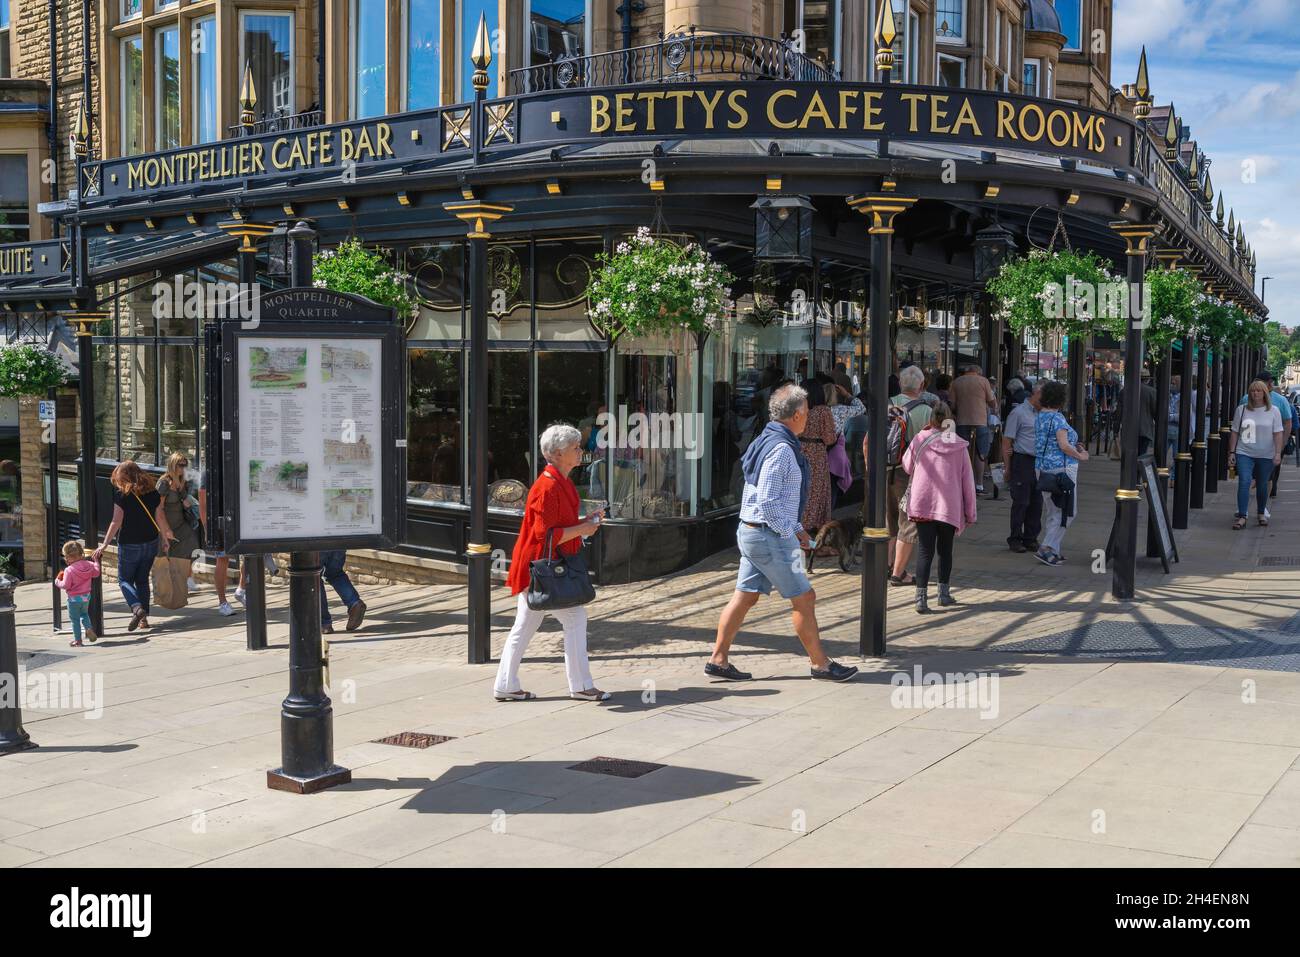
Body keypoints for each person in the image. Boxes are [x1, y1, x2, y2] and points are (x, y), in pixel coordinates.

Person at [706, 383, 858, 683]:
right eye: (807, 411)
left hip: (752, 532)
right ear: (799, 414)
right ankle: (821, 665)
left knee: (745, 596)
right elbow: (768, 500)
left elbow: (761, 496)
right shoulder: (782, 450)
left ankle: (718, 659)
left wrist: (797, 529)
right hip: (768, 536)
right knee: (805, 597)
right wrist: (792, 531)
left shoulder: (766, 438)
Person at [494, 424, 609, 702]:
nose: (580, 451)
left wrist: (585, 522)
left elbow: (558, 528)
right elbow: (546, 535)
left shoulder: (560, 481)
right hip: (543, 568)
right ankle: (580, 686)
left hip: (541, 567)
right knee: (574, 618)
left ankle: (506, 685)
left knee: (525, 626)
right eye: (575, 448)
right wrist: (583, 528)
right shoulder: (548, 486)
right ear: (558, 453)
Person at [902, 403, 978, 613]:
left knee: (925, 552)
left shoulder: (920, 439)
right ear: (949, 419)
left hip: (923, 503)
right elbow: (967, 481)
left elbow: (907, 466)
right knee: (945, 551)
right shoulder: (959, 445)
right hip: (948, 506)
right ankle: (943, 594)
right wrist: (970, 512)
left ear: (931, 419)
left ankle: (920, 599)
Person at [93, 461, 177, 632]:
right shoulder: (153, 492)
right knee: (142, 580)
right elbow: (159, 516)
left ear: (123, 476)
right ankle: (143, 620)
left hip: (130, 543)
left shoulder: (122, 494)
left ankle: (137, 608)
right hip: (151, 541)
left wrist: (104, 544)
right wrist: (165, 538)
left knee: (124, 580)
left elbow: (116, 521)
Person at [887, 365, 936, 586]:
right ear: (922, 386)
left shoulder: (887, 404)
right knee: (907, 521)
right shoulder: (926, 411)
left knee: (888, 520)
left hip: (884, 470)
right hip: (910, 473)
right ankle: (899, 573)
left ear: (899, 383)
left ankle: (888, 566)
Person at [1034, 381, 1089, 567]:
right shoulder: (1057, 419)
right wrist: (1080, 455)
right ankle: (1047, 547)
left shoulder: (1040, 416)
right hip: (1062, 471)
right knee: (1068, 512)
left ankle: (1054, 550)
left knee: (1053, 511)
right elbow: (1063, 445)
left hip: (1043, 469)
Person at [1228, 379, 1283, 529]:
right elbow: (1235, 432)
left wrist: (1278, 453)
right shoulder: (1242, 410)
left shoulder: (1273, 411)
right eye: (1252, 391)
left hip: (1266, 454)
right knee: (1245, 481)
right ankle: (1242, 515)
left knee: (1262, 484)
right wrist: (1232, 452)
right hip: (1244, 452)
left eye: (1258, 390)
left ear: (1265, 393)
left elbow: (1278, 433)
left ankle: (1260, 513)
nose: (1255, 393)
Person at [1237, 372, 1293, 503]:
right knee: (1253, 478)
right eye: (1269, 382)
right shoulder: (1246, 399)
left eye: (1271, 382)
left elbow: (1287, 422)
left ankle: (1261, 506)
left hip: (1268, 446)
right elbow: (1240, 423)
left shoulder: (1280, 400)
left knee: (1263, 478)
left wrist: (1282, 443)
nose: (1271, 384)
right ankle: (1247, 506)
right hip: (1251, 446)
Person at [1001, 380, 1043, 553]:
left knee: (1037, 502)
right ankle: (1015, 538)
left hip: (1039, 461)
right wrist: (1007, 468)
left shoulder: (1043, 413)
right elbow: (1007, 441)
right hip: (1022, 460)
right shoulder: (1018, 413)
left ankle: (1031, 537)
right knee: (1021, 502)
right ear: (1036, 394)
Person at [156, 452, 201, 594]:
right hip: (166, 523)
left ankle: (187, 578)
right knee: (165, 554)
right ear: (173, 465)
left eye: (185, 465)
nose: (183, 468)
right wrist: (165, 529)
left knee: (192, 548)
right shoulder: (164, 482)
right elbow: (159, 507)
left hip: (181, 522)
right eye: (181, 465)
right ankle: (162, 584)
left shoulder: (182, 482)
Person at [951, 364, 997, 493]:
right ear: (978, 372)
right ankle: (979, 485)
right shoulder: (983, 381)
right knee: (981, 453)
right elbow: (992, 402)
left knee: (963, 452)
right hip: (980, 421)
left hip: (962, 421)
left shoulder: (956, 382)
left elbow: (952, 405)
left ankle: (964, 483)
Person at [797, 378, 836, 531]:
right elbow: (830, 438)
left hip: (799, 449)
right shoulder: (823, 411)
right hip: (817, 452)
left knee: (801, 488)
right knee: (816, 490)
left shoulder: (797, 409)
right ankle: (813, 524)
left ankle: (799, 523)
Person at [55, 540, 100, 647]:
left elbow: (66, 585)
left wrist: (57, 581)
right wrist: (96, 561)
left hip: (73, 599)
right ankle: (88, 628)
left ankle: (78, 641)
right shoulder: (89, 564)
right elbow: (96, 573)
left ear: (68, 557)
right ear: (81, 553)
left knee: (75, 620)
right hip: (86, 597)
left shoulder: (69, 570)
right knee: (84, 614)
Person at [320, 550, 366, 634]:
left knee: (312, 577)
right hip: (338, 541)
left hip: (315, 543)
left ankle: (324, 623)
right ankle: (354, 602)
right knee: (335, 573)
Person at [1138, 368, 1159, 458]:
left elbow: (1119, 411)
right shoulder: (1152, 392)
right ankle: (1138, 471)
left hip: (1129, 429)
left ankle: (1129, 470)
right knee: (1142, 454)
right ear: (1147, 379)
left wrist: (1115, 430)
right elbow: (1155, 411)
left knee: (1129, 454)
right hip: (1145, 428)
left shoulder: (1125, 390)